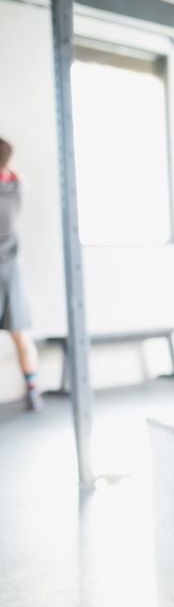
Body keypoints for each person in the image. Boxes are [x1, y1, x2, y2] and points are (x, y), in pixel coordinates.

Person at [0, 137, 43, 413]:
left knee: (21, 336)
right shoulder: (18, 185)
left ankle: (33, 392)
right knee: (21, 335)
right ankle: (34, 393)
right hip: (12, 268)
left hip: (7, 268)